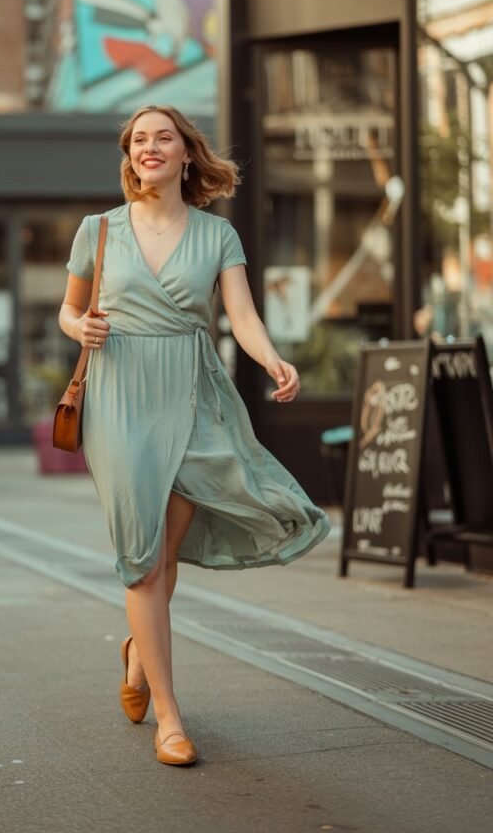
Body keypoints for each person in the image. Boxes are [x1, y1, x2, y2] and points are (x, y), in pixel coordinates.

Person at [59, 105, 330, 767]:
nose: (149, 147)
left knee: (166, 551)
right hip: (119, 396)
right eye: (138, 139)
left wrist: (272, 360)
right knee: (143, 557)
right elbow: (69, 308)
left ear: (187, 153)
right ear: (129, 155)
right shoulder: (97, 231)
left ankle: (136, 654)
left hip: (191, 395)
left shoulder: (217, 236)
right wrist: (77, 329)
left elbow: (241, 316)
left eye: (163, 138)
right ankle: (171, 719)